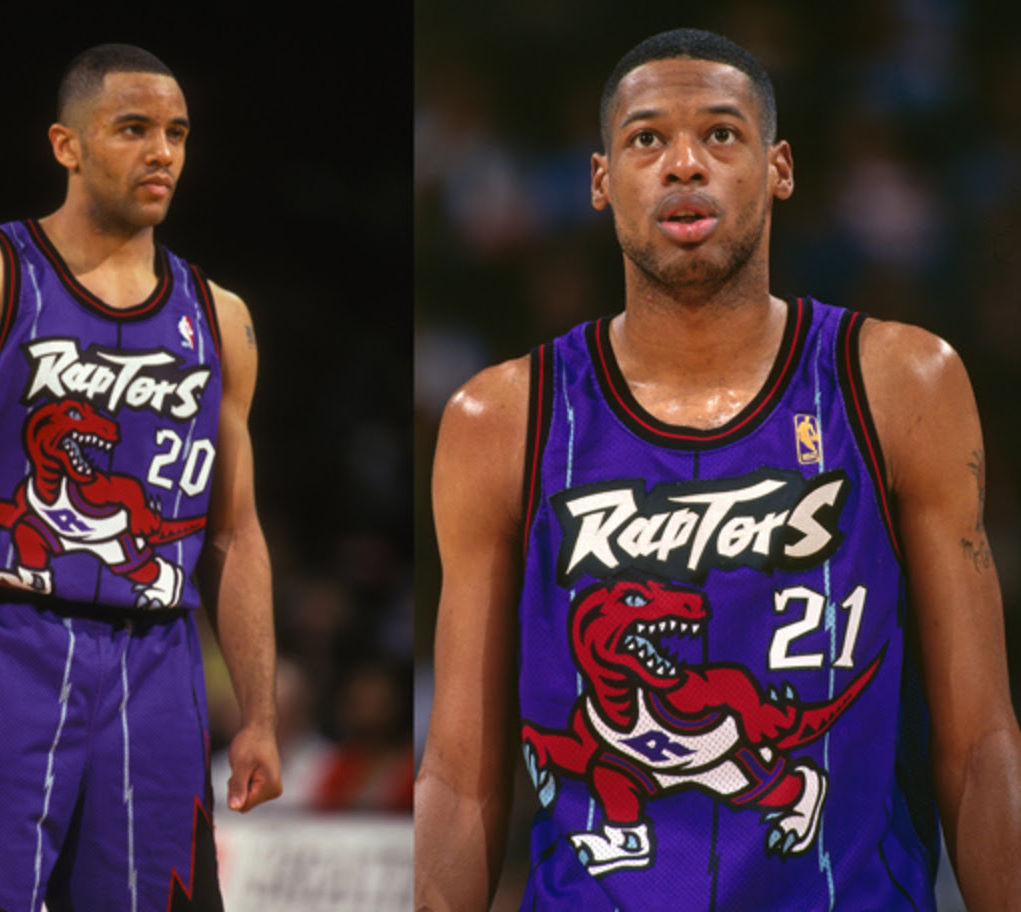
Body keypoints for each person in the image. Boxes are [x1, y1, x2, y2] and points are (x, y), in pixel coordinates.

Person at [415, 27, 1021, 912]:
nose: (684, 164)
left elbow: (979, 744)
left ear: (779, 168)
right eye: (646, 139)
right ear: (601, 181)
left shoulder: (901, 382)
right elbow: (462, 779)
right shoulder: (498, 419)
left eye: (722, 135)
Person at [0, 43, 281, 911]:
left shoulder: (222, 320)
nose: (162, 152)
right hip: (2, 637)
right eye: (133, 129)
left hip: (161, 661)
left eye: (176, 132)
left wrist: (260, 714)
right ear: (67, 144)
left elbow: (236, 532)